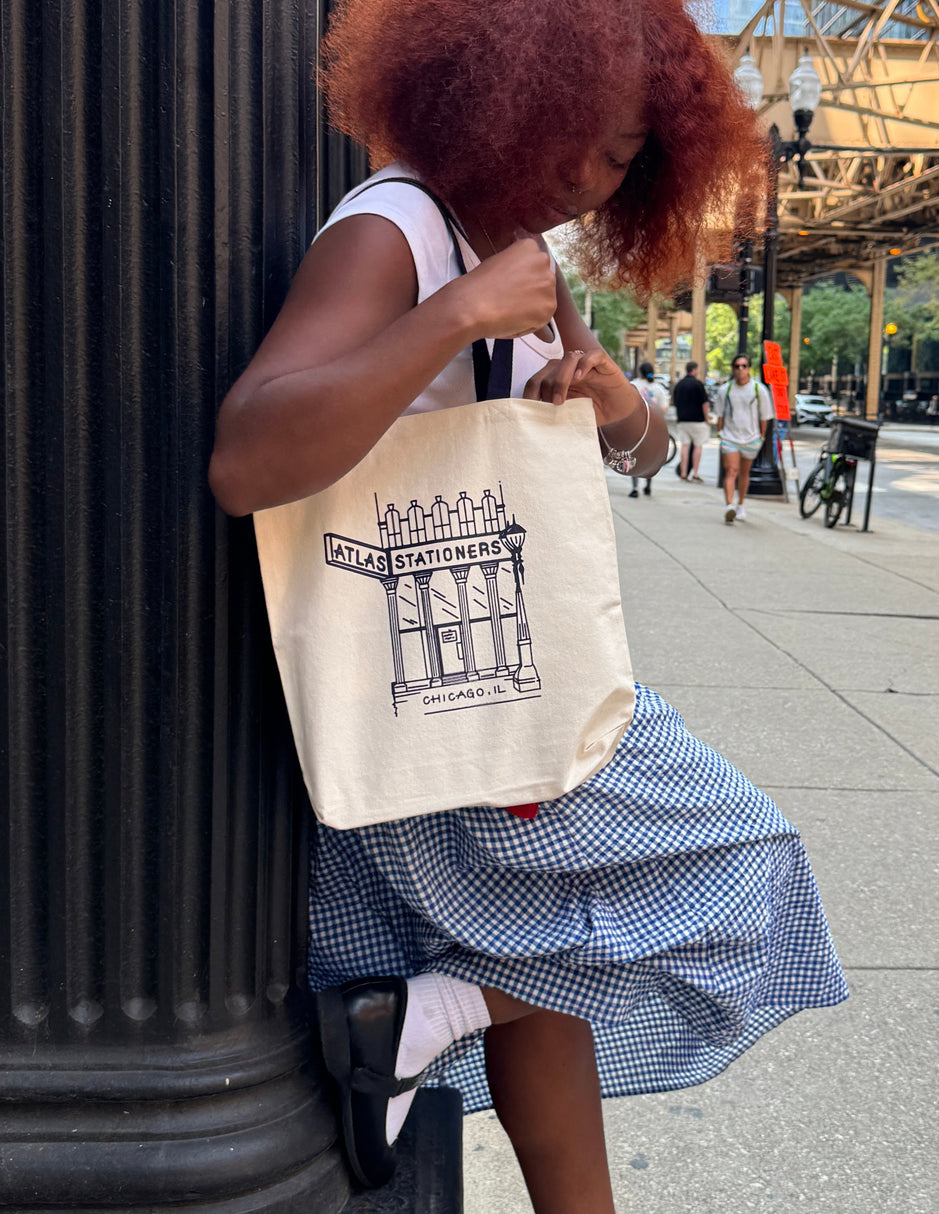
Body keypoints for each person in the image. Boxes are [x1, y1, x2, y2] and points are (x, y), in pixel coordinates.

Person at [207, 1, 847, 1210]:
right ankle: (432, 1009)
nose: (586, 174)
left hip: (470, 674)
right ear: (503, 95)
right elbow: (246, 457)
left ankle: (461, 1051)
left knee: (545, 981)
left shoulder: (508, 248)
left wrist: (612, 402)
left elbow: (649, 448)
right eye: (580, 137)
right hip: (445, 693)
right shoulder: (398, 230)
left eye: (619, 158)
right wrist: (454, 317)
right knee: (744, 865)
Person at [716, 353, 774, 524]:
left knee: (744, 472)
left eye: (744, 366)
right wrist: (720, 433)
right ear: (733, 369)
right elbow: (720, 415)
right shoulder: (725, 390)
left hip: (751, 438)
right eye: (737, 366)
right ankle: (729, 506)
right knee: (731, 471)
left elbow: (765, 416)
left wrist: (761, 436)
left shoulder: (759, 390)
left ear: (749, 368)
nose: (740, 369)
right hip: (730, 437)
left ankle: (740, 504)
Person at [628, 361, 668, 496]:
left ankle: (634, 488)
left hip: (635, 425)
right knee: (651, 457)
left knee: (634, 455)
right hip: (653, 426)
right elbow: (664, 408)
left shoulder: (633, 385)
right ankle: (648, 485)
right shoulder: (659, 388)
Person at [672, 360, 710, 481]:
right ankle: (695, 473)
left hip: (682, 420)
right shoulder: (698, 384)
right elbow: (705, 403)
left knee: (685, 446)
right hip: (697, 420)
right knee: (698, 446)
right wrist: (707, 418)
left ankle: (683, 473)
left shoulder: (679, 384)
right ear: (694, 370)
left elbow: (675, 402)